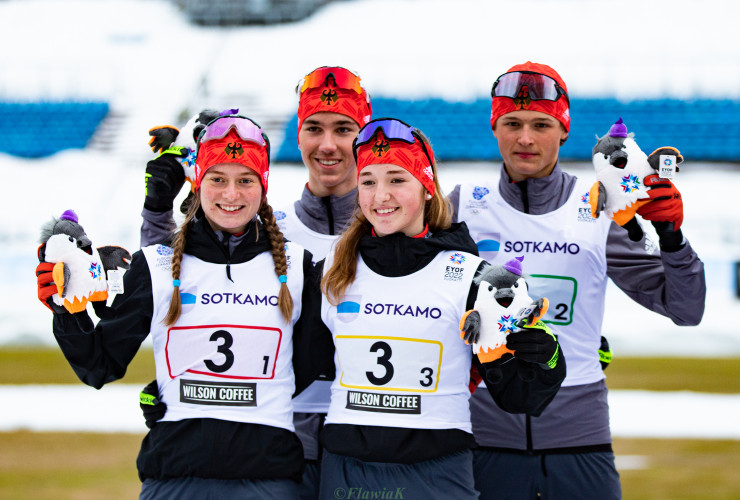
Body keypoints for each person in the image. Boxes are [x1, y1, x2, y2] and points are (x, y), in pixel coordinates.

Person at [36, 113, 334, 499]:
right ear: (198, 181)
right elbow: (99, 365)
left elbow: (312, 364)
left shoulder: (297, 267)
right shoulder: (156, 265)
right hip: (174, 479)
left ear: (263, 186)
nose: (231, 195)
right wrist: (68, 310)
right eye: (217, 179)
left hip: (268, 480)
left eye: (245, 180)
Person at [447, 62, 707, 499]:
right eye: (512, 123)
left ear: (563, 130)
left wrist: (672, 237)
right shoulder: (461, 208)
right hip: (483, 439)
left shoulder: (600, 209)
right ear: (495, 128)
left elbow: (686, 309)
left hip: (579, 441)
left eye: (540, 124)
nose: (525, 138)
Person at [140, 66, 372, 499]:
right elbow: (177, 270)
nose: (328, 144)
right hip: (278, 450)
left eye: (344, 129)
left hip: (366, 445)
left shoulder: (393, 226)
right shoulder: (267, 229)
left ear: (364, 137)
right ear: (297, 136)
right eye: (313, 128)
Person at [316, 117, 567, 500]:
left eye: (397, 179)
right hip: (347, 473)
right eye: (368, 181)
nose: (380, 195)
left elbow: (519, 398)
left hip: (435, 473)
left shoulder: (477, 279)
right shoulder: (333, 272)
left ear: (427, 187)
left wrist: (547, 358)